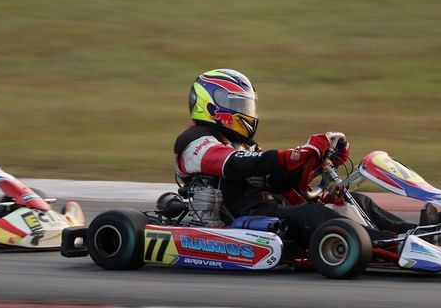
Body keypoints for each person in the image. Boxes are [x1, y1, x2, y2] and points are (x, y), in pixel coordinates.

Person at [174, 69, 420, 246]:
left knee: (356, 200)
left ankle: (419, 234)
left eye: (246, 106)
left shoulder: (242, 143)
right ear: (210, 105)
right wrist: (295, 154)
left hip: (271, 206)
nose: (244, 112)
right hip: (240, 214)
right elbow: (236, 164)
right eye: (237, 104)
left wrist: (320, 159)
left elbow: (276, 179)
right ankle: (391, 243)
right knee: (313, 216)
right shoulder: (195, 140)